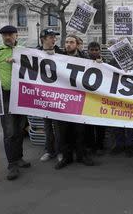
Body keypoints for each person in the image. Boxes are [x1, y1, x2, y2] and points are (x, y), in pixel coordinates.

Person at [0, 25, 31, 180]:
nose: (7, 37)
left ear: (17, 35)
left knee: (20, 129)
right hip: (6, 95)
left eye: (10, 34)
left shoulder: (24, 50)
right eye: (4, 35)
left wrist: (18, 62)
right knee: (9, 131)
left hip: (22, 95)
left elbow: (35, 69)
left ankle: (19, 158)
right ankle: (12, 164)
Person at [55, 34, 94, 169]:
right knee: (64, 131)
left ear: (77, 45)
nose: (68, 44)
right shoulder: (57, 56)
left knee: (80, 130)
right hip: (62, 99)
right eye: (66, 42)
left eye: (71, 42)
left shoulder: (85, 58)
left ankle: (81, 156)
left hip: (79, 99)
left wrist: (99, 63)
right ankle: (66, 157)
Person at [38, 28, 63, 162]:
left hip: (58, 96)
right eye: (51, 37)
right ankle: (49, 151)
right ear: (43, 39)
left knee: (58, 127)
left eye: (55, 37)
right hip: (42, 96)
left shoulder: (61, 53)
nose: (54, 39)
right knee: (47, 126)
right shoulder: (34, 53)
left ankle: (59, 151)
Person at [85, 42, 106, 156]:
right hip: (87, 98)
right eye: (92, 50)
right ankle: (90, 145)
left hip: (100, 99)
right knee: (88, 125)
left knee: (100, 125)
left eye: (96, 50)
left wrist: (102, 63)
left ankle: (99, 146)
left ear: (100, 51)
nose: (94, 52)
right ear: (88, 51)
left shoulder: (105, 62)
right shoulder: (82, 61)